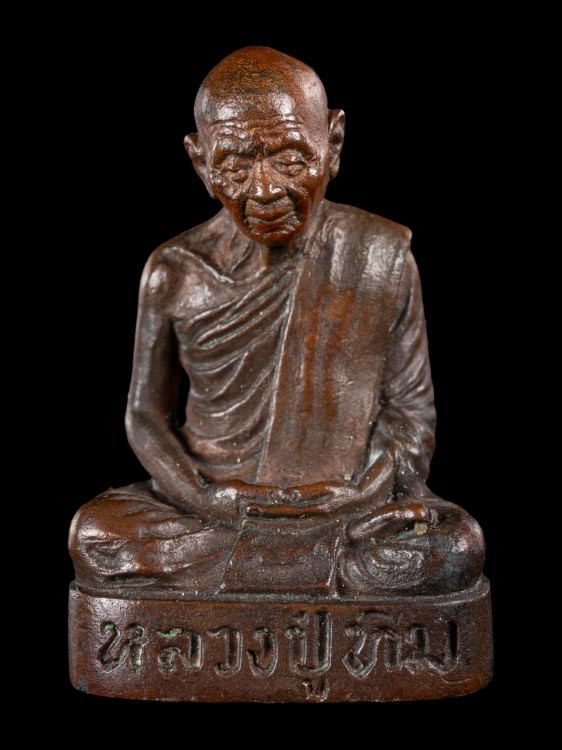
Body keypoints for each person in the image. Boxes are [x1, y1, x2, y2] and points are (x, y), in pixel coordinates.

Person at [69, 46, 484, 597]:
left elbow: (410, 412)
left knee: (454, 546)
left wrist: (364, 493)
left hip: (343, 507)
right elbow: (145, 416)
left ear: (333, 144)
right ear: (200, 162)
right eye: (235, 166)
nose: (263, 190)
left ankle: (261, 573)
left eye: (289, 161)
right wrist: (203, 497)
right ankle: (315, 574)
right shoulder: (174, 272)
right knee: (97, 534)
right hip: (213, 507)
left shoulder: (379, 255)